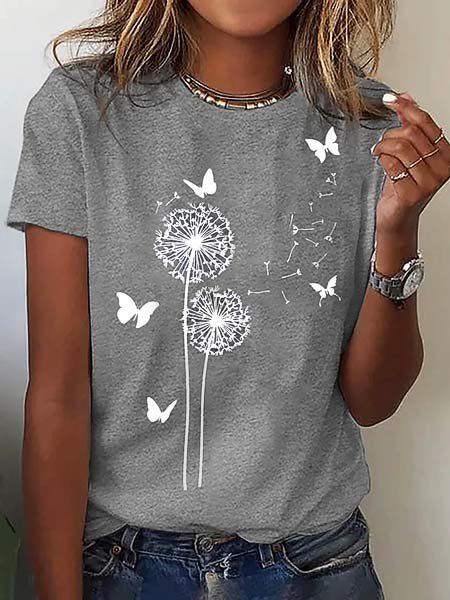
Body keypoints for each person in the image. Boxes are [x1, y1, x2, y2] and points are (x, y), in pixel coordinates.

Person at [5, 1, 450, 598]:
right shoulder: (81, 112)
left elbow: (372, 401)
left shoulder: (374, 129)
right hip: (123, 567)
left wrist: (398, 230)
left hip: (316, 565)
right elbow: (58, 396)